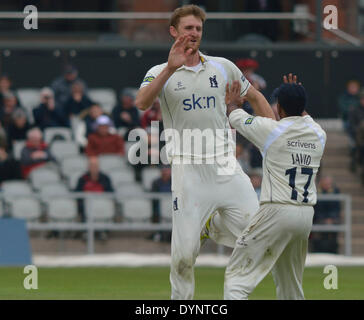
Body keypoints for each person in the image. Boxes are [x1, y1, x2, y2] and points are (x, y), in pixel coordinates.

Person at [135, 4, 274, 300]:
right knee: (184, 256)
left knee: (260, 238)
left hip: (226, 165)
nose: (194, 33)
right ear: (174, 32)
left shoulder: (223, 66)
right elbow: (142, 102)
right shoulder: (159, 71)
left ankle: (211, 225)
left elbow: (257, 97)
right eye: (188, 28)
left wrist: (274, 137)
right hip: (189, 171)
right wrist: (171, 68)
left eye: (198, 28)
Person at [224, 75, 326, 300]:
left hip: (276, 210)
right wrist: (297, 96)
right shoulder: (319, 133)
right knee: (291, 286)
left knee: (238, 279)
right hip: (305, 216)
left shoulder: (271, 130)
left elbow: (235, 116)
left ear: (278, 107)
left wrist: (231, 101)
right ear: (302, 106)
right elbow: (305, 116)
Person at [74, 156, 113, 240]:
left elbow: (111, 193)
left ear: (99, 166)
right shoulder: (82, 179)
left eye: (95, 165)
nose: (93, 167)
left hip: (102, 204)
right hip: (86, 204)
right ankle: (86, 231)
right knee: (85, 206)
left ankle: (103, 231)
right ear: (88, 166)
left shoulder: (105, 178)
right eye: (91, 165)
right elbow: (77, 194)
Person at [311, 176, 341, 254]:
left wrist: (331, 219)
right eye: (326, 183)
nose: (327, 185)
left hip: (332, 218)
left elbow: (336, 208)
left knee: (334, 228)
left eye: (329, 183)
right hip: (319, 218)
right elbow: (316, 209)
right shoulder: (316, 192)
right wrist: (323, 219)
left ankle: (333, 250)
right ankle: (317, 250)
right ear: (321, 183)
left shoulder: (335, 192)